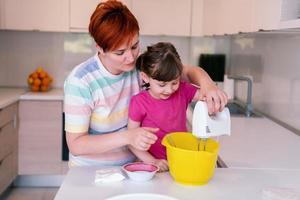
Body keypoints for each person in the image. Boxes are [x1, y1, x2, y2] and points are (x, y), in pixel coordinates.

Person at [64, 0, 227, 167]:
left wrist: (208, 85)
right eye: (120, 52)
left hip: (134, 168)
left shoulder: (140, 65)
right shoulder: (81, 81)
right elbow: (76, 144)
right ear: (100, 48)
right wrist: (128, 136)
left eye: (134, 46)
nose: (131, 57)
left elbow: (186, 72)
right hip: (90, 173)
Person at [128, 42, 200, 171]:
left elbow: (206, 96)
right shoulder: (139, 102)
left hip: (181, 160)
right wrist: (153, 161)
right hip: (152, 165)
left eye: (174, 82)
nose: (169, 90)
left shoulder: (183, 90)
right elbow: (131, 141)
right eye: (162, 85)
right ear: (145, 77)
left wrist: (212, 91)